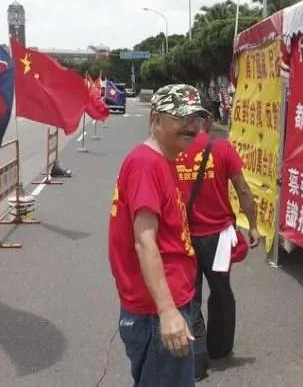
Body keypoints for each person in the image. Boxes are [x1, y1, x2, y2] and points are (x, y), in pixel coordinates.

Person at [108, 83, 209, 387]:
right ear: (155, 119)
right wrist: (167, 312)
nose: (191, 127)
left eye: (196, 118)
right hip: (155, 311)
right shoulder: (146, 164)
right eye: (181, 118)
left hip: (163, 303)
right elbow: (144, 242)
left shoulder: (164, 160)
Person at [176, 113, 261, 380]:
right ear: (208, 122)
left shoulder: (173, 148)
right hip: (219, 238)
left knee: (191, 298)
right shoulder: (221, 147)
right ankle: (220, 348)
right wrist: (254, 225)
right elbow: (243, 190)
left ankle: (196, 363)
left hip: (183, 236)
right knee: (221, 291)